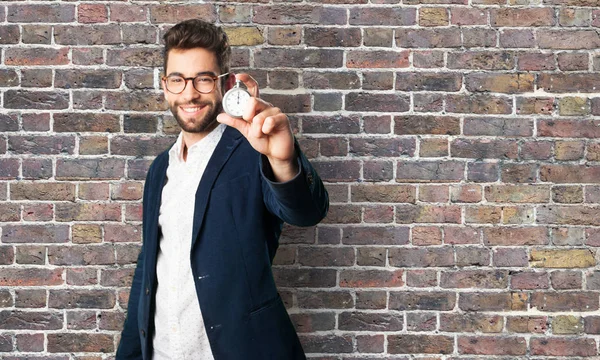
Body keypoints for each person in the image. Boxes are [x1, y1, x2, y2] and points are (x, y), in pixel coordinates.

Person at [116, 19, 329, 360]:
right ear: (164, 86)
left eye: (203, 79)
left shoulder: (253, 152)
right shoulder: (159, 168)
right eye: (177, 80)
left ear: (225, 83)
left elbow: (306, 212)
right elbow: (149, 268)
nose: (189, 93)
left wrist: (285, 162)